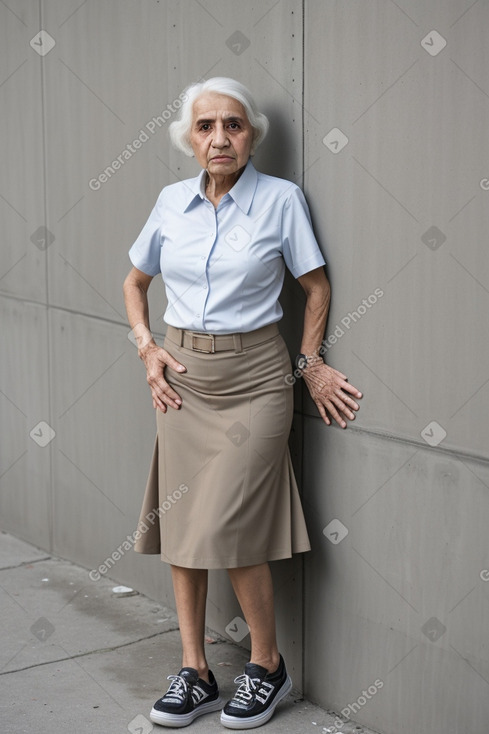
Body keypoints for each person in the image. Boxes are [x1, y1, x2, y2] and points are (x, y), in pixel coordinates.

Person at [123, 77, 362, 730]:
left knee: (228, 523)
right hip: (181, 378)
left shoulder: (280, 200)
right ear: (188, 138)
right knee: (181, 526)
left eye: (232, 125)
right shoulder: (171, 202)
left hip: (255, 379)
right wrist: (147, 348)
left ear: (251, 134)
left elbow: (314, 288)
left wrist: (309, 365)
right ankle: (194, 670)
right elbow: (135, 281)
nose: (219, 138)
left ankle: (265, 666)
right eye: (205, 127)